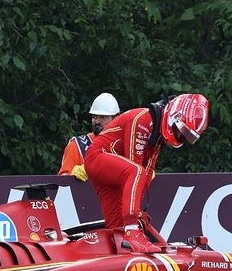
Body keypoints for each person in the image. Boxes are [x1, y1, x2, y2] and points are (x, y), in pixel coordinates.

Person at [84, 93, 209, 253]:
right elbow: (134, 168)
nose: (180, 136)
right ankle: (133, 233)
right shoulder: (142, 120)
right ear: (174, 116)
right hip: (98, 158)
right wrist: (133, 217)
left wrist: (135, 212)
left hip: (108, 169)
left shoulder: (157, 134)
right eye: (181, 131)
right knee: (136, 172)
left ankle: (121, 256)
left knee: (117, 229)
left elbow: (147, 174)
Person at [58, 92, 120, 181]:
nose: (97, 121)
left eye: (103, 117)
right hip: (84, 194)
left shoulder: (124, 145)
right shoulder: (77, 145)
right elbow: (62, 184)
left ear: (116, 118)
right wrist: (71, 176)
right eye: (95, 117)